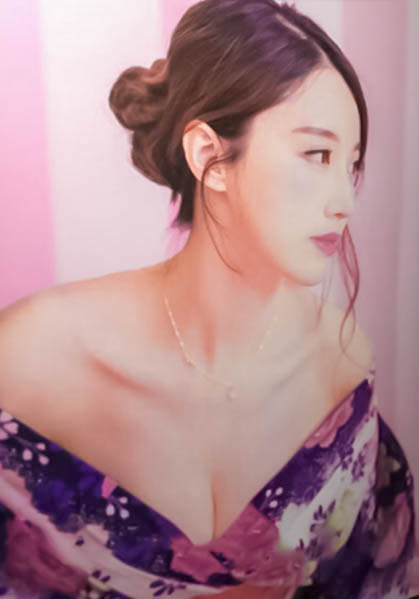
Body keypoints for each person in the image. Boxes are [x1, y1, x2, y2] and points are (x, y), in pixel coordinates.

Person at [0, 0, 416, 597]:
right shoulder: (28, 356)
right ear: (209, 157)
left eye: (351, 166)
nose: (345, 202)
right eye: (317, 155)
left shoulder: (340, 360)